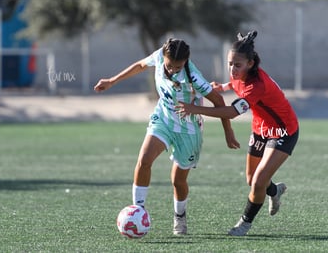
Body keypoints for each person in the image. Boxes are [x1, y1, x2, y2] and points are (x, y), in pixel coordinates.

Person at [94, 38, 239, 235]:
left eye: (177, 67)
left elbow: (219, 101)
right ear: (164, 56)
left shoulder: (194, 77)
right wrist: (112, 81)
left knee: (178, 181)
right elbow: (140, 65)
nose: (172, 70)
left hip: (188, 130)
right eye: (169, 65)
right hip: (163, 119)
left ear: (186, 61)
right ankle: (138, 210)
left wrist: (228, 132)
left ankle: (179, 216)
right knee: (144, 160)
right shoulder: (159, 56)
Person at [176, 31, 299, 236]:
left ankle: (244, 224)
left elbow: (232, 112)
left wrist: (195, 109)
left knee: (259, 179)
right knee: (252, 180)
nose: (232, 69)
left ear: (250, 64)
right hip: (261, 128)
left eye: (237, 65)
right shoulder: (242, 74)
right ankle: (275, 191)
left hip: (282, 130)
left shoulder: (257, 85)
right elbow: (234, 83)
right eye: (230, 63)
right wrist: (221, 87)